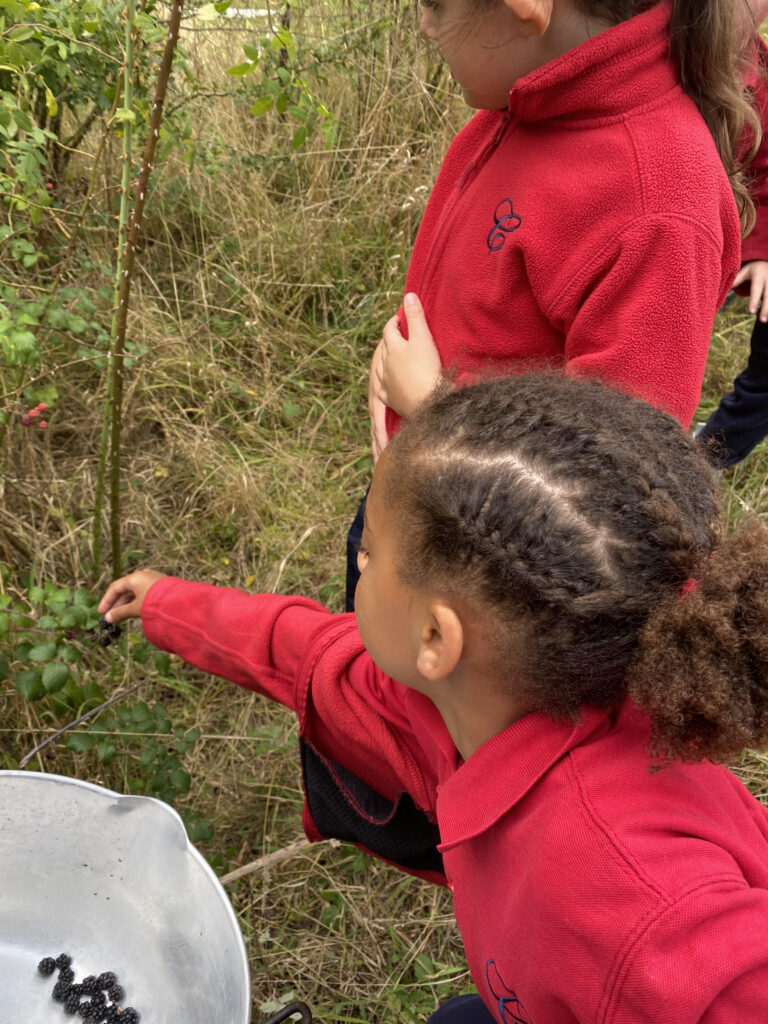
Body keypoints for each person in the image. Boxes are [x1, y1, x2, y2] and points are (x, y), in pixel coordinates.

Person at [100, 374, 768, 1023]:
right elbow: (315, 655)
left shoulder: (636, 912)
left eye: (374, 552)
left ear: (435, 636)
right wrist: (168, 604)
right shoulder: (489, 693)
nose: (359, 562)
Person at [341, 0, 762, 610]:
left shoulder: (661, 208)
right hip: (409, 503)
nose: (427, 25)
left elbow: (605, 488)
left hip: (472, 580)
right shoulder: (518, 106)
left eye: (433, 4)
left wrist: (433, 411)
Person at [695, 6, 768, 468]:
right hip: (680, 246)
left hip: (734, 241)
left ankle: (705, 458)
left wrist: (762, 247)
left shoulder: (759, 71)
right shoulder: (660, 58)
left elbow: (764, 171)